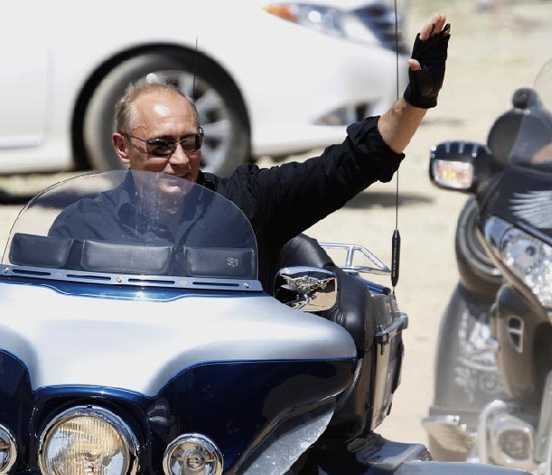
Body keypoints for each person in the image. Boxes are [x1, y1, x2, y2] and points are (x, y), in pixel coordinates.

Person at [105, 13, 450, 292]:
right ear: (123, 147)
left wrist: (417, 99)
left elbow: (351, 164)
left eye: (191, 142)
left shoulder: (248, 204)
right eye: (161, 145)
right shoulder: (88, 223)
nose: (180, 159)